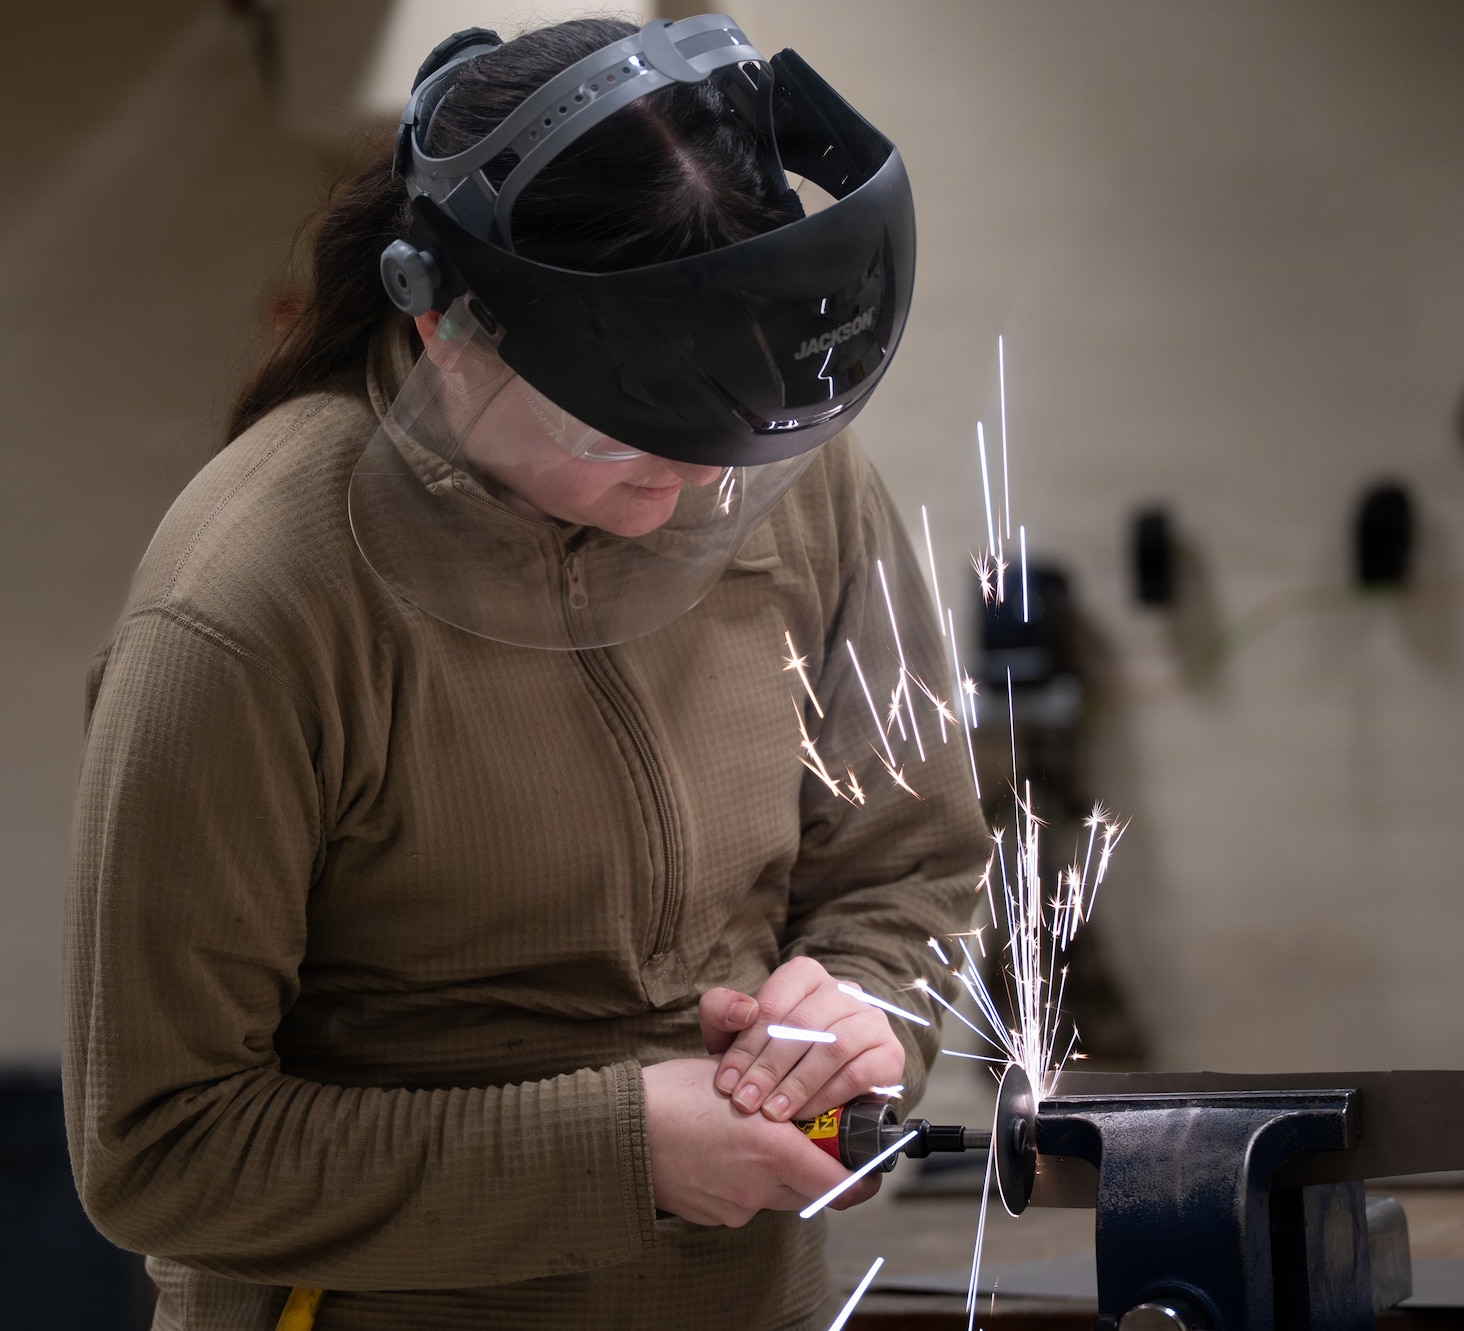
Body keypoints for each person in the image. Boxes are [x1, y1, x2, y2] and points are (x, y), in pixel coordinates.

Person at [62, 16, 986, 1331]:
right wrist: (621, 1155)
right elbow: (159, 1149)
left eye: (724, 437)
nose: (687, 494)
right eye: (627, 435)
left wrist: (866, 1013)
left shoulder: (781, 465)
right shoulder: (252, 606)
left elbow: (915, 863)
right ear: (449, 328)